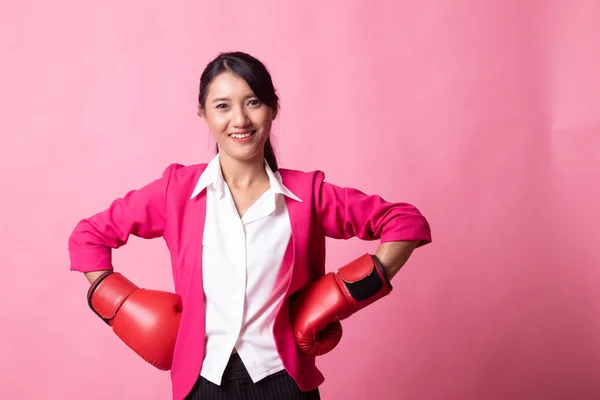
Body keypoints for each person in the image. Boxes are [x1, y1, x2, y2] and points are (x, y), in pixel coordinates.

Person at [68, 51, 432, 400]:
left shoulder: (308, 195)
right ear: (203, 114)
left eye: (253, 102)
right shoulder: (176, 192)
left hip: (285, 383)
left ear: (273, 109)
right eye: (222, 105)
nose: (239, 119)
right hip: (201, 384)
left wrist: (348, 294)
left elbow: (405, 223)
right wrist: (121, 308)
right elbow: (88, 238)